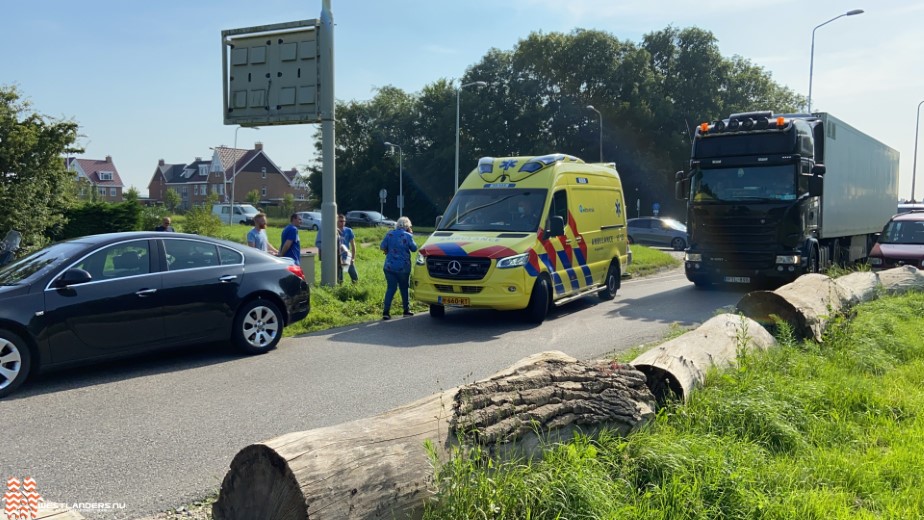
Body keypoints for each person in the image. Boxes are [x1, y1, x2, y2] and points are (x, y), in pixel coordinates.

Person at [380, 216, 418, 320]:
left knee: (391, 288)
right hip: (403, 267)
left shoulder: (390, 234)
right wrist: (411, 234)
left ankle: (386, 312)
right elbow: (414, 248)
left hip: (389, 266)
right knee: (404, 288)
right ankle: (406, 310)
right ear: (407, 226)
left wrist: (388, 250)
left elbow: (382, 246)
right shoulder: (407, 235)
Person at [338, 214, 359, 283]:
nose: (343, 223)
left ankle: (353, 290)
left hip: (347, 257)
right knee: (339, 279)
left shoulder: (348, 230)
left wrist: (353, 258)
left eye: (344, 221)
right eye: (341, 221)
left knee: (354, 278)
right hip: (338, 258)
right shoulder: (334, 231)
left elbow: (353, 245)